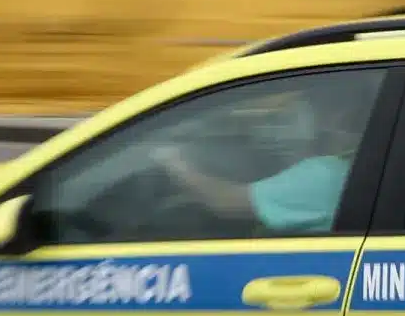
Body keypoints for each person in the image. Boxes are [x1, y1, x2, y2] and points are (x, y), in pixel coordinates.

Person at [149, 85, 370, 234]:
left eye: (303, 109)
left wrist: (173, 161)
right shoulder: (358, 166)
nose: (289, 120)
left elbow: (224, 201)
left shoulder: (324, 175)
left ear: (337, 116)